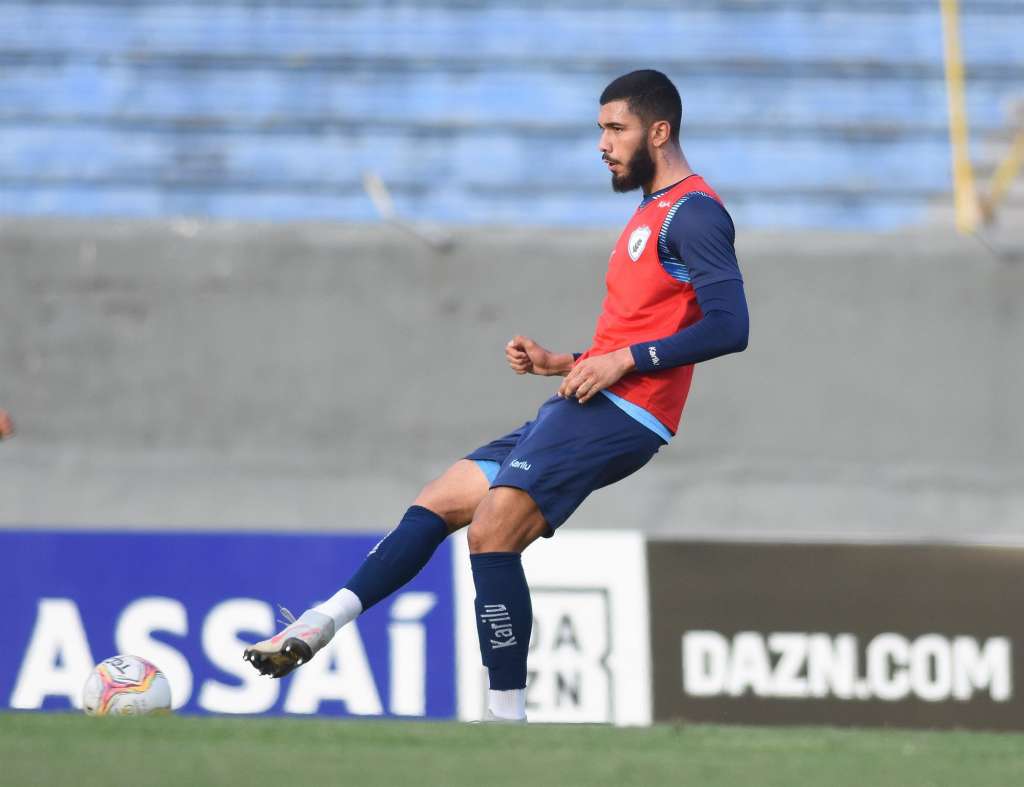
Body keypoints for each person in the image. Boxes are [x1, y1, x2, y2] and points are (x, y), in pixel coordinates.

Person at [243, 69, 750, 723]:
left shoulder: (696, 212)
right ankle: (318, 624)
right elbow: (642, 327)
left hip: (629, 414)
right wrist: (563, 362)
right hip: (590, 398)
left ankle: (506, 724)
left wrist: (624, 358)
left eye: (615, 128)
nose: (602, 143)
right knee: (442, 499)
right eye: (599, 128)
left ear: (660, 130)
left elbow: (729, 325)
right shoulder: (649, 211)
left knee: (492, 532)